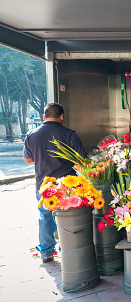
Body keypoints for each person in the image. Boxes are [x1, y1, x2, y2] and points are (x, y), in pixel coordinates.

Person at [23, 103, 85, 263]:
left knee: (45, 217)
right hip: (66, 186)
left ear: (44, 116)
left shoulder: (32, 134)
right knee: (68, 218)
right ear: (62, 116)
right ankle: (68, 249)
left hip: (43, 186)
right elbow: (81, 160)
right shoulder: (69, 134)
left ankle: (46, 252)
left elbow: (28, 159)